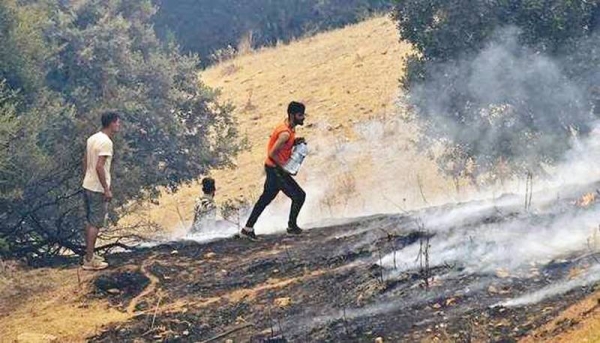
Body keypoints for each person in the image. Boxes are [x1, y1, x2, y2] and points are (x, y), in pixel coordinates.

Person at [241, 101, 307, 240]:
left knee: (265, 199)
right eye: (300, 115)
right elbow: (272, 153)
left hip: (272, 168)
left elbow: (283, 146)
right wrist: (283, 168)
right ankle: (291, 227)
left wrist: (295, 142)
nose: (303, 118)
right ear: (292, 115)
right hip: (276, 170)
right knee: (299, 196)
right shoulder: (285, 133)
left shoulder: (288, 129)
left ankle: (247, 229)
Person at [81, 111, 121, 270]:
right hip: (97, 188)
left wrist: (86, 178)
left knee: (90, 221)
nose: (119, 125)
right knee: (95, 224)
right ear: (111, 123)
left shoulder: (92, 138)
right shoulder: (106, 142)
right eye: (117, 122)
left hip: (88, 184)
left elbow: (84, 160)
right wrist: (106, 189)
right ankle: (90, 260)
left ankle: (89, 255)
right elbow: (99, 166)